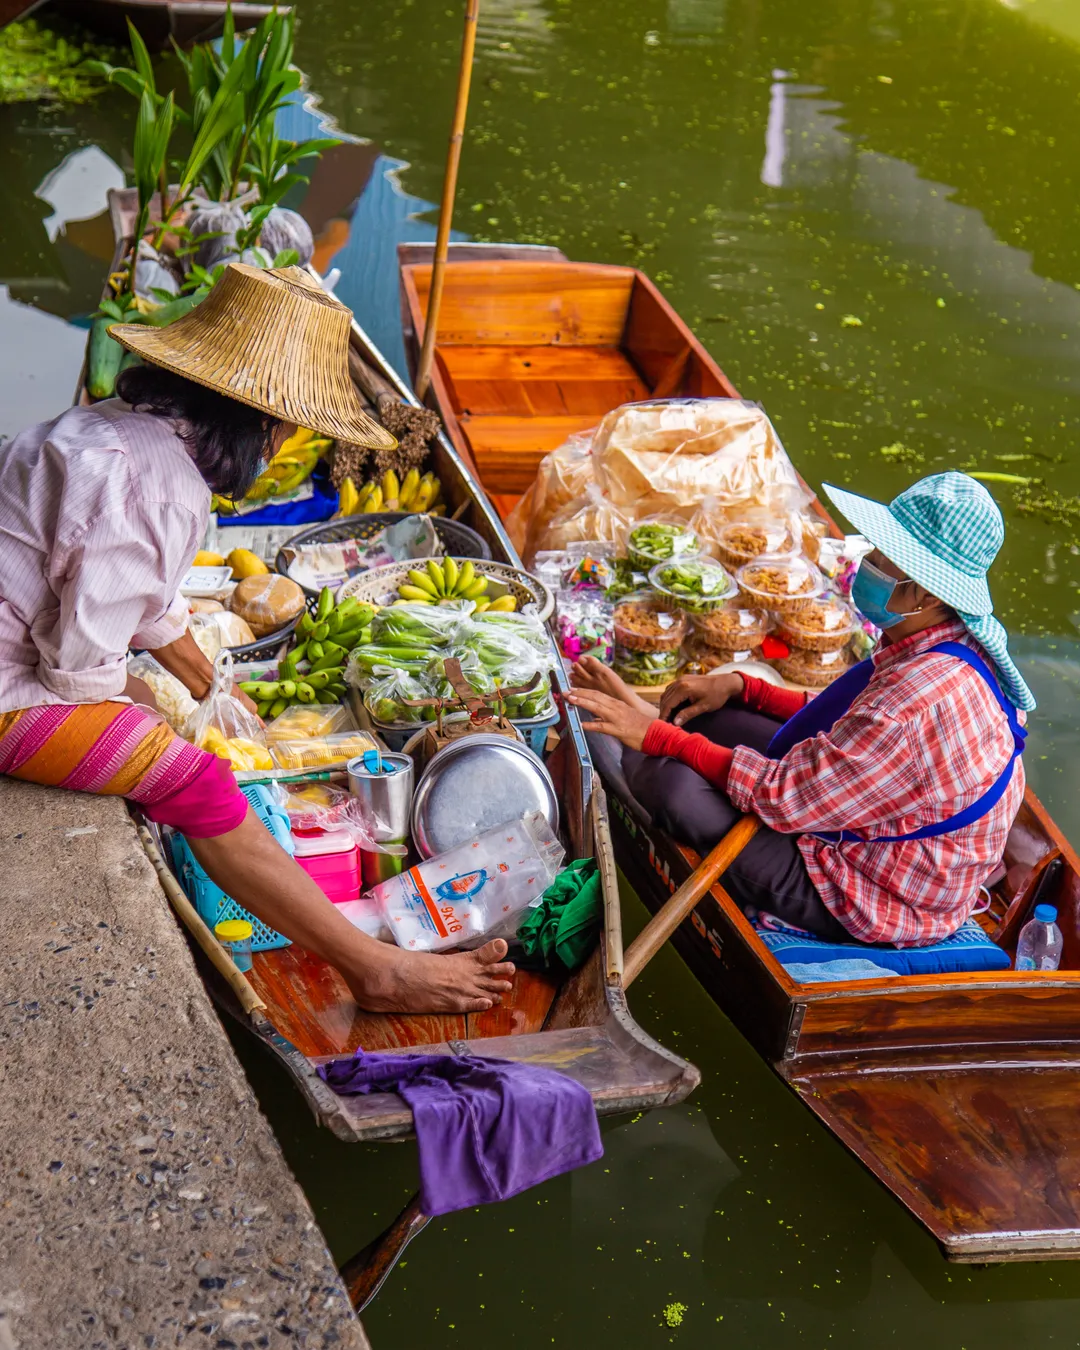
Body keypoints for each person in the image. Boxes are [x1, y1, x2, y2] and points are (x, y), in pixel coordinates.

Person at [0, 262, 514, 1012]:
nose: (279, 449)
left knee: (157, 709)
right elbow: (77, 668)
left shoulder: (109, 428)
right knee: (197, 782)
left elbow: (135, 598)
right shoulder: (164, 490)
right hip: (9, 696)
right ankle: (373, 968)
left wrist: (212, 689)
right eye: (283, 432)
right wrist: (151, 713)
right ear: (256, 422)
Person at [569, 472, 1033, 949]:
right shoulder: (949, 640)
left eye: (882, 561)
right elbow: (847, 720)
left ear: (928, 595)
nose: (867, 565)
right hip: (868, 811)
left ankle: (628, 735)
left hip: (874, 889)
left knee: (672, 788)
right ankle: (638, 721)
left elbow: (784, 797)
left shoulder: (914, 704)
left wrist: (656, 736)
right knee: (703, 718)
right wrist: (742, 687)